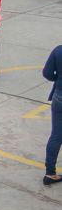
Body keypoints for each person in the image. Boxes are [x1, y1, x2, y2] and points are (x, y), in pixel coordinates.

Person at [43, 45, 62, 185]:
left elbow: (47, 73)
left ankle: (50, 172)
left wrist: (58, 77)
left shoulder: (58, 50)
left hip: (59, 96)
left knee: (56, 135)